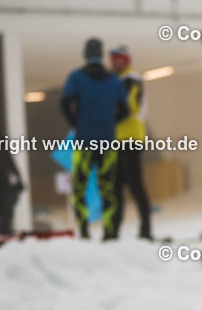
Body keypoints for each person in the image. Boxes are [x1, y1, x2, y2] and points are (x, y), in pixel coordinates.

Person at [61, 37, 128, 240]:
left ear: (85, 54)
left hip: (84, 142)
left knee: (80, 188)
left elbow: (64, 103)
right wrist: (109, 122)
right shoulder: (114, 80)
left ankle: (84, 230)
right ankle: (108, 232)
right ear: (101, 54)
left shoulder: (77, 77)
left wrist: (76, 123)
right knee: (107, 188)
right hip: (107, 142)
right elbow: (125, 110)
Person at [108, 45, 153, 240]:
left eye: (117, 59)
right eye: (112, 59)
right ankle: (113, 233)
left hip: (130, 138)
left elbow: (126, 107)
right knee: (116, 188)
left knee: (134, 187)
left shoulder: (130, 78)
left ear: (125, 60)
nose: (113, 63)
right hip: (120, 138)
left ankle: (145, 231)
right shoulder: (120, 79)